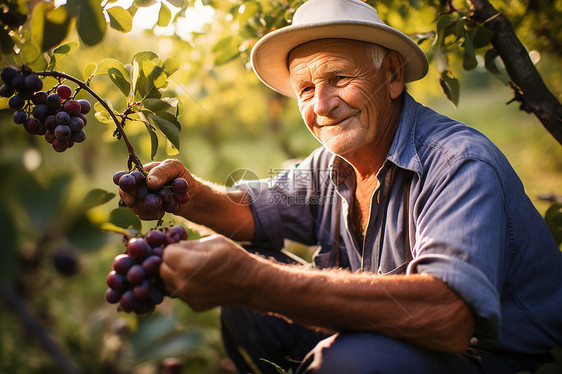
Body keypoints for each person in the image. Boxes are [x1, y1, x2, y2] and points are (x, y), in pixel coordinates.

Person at [120, 0, 562, 372]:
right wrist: (188, 194)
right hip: (405, 339)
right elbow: (248, 213)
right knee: (250, 284)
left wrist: (256, 282)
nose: (323, 105)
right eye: (306, 89)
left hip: (492, 361)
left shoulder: (458, 163)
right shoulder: (332, 165)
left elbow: (448, 315)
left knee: (350, 359)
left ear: (392, 76)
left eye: (339, 79)